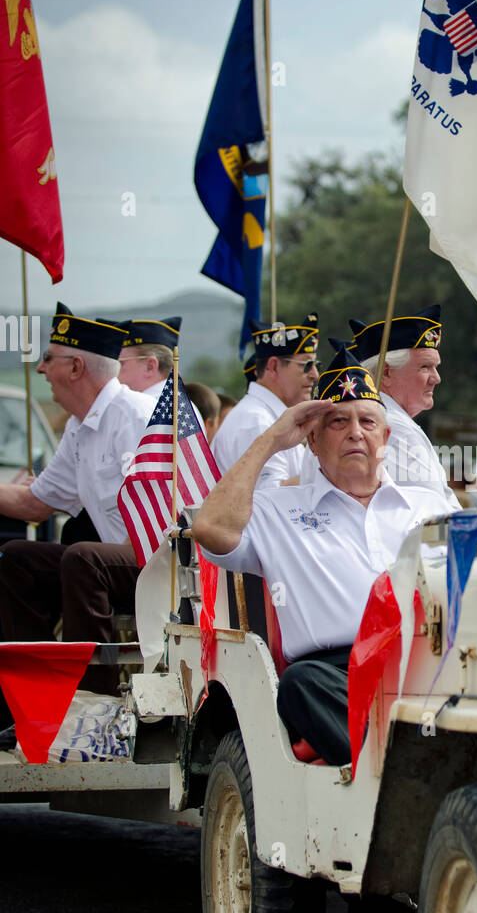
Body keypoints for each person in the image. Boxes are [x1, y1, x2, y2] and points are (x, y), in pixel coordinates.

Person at [192, 346, 451, 766]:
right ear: (311, 440)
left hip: (425, 662)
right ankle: (399, 773)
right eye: (337, 423)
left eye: (368, 421)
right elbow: (210, 529)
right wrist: (272, 439)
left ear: (385, 438)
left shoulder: (429, 507)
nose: (355, 433)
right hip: (336, 677)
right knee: (300, 685)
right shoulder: (281, 509)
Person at [0, 305, 155, 729]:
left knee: (83, 558)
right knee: (18, 556)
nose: (40, 369)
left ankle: (92, 712)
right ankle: (29, 701)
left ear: (76, 366)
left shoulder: (136, 418)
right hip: (118, 563)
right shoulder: (79, 425)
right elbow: (36, 503)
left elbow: (163, 526)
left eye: (47, 359)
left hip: (165, 564)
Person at [302, 304, 459, 508]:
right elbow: (434, 515)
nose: (436, 378)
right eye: (425, 367)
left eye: (435, 368)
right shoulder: (394, 426)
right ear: (386, 373)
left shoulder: (393, 421)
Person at [212, 315, 319, 485]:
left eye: (316, 365)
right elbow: (270, 496)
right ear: (274, 367)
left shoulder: (264, 416)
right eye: (306, 365)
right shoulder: (257, 422)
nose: (315, 375)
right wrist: (336, 476)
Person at [117, 316, 182, 399]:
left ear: (150, 367)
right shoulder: (172, 400)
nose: (112, 372)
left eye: (119, 363)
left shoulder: (148, 406)